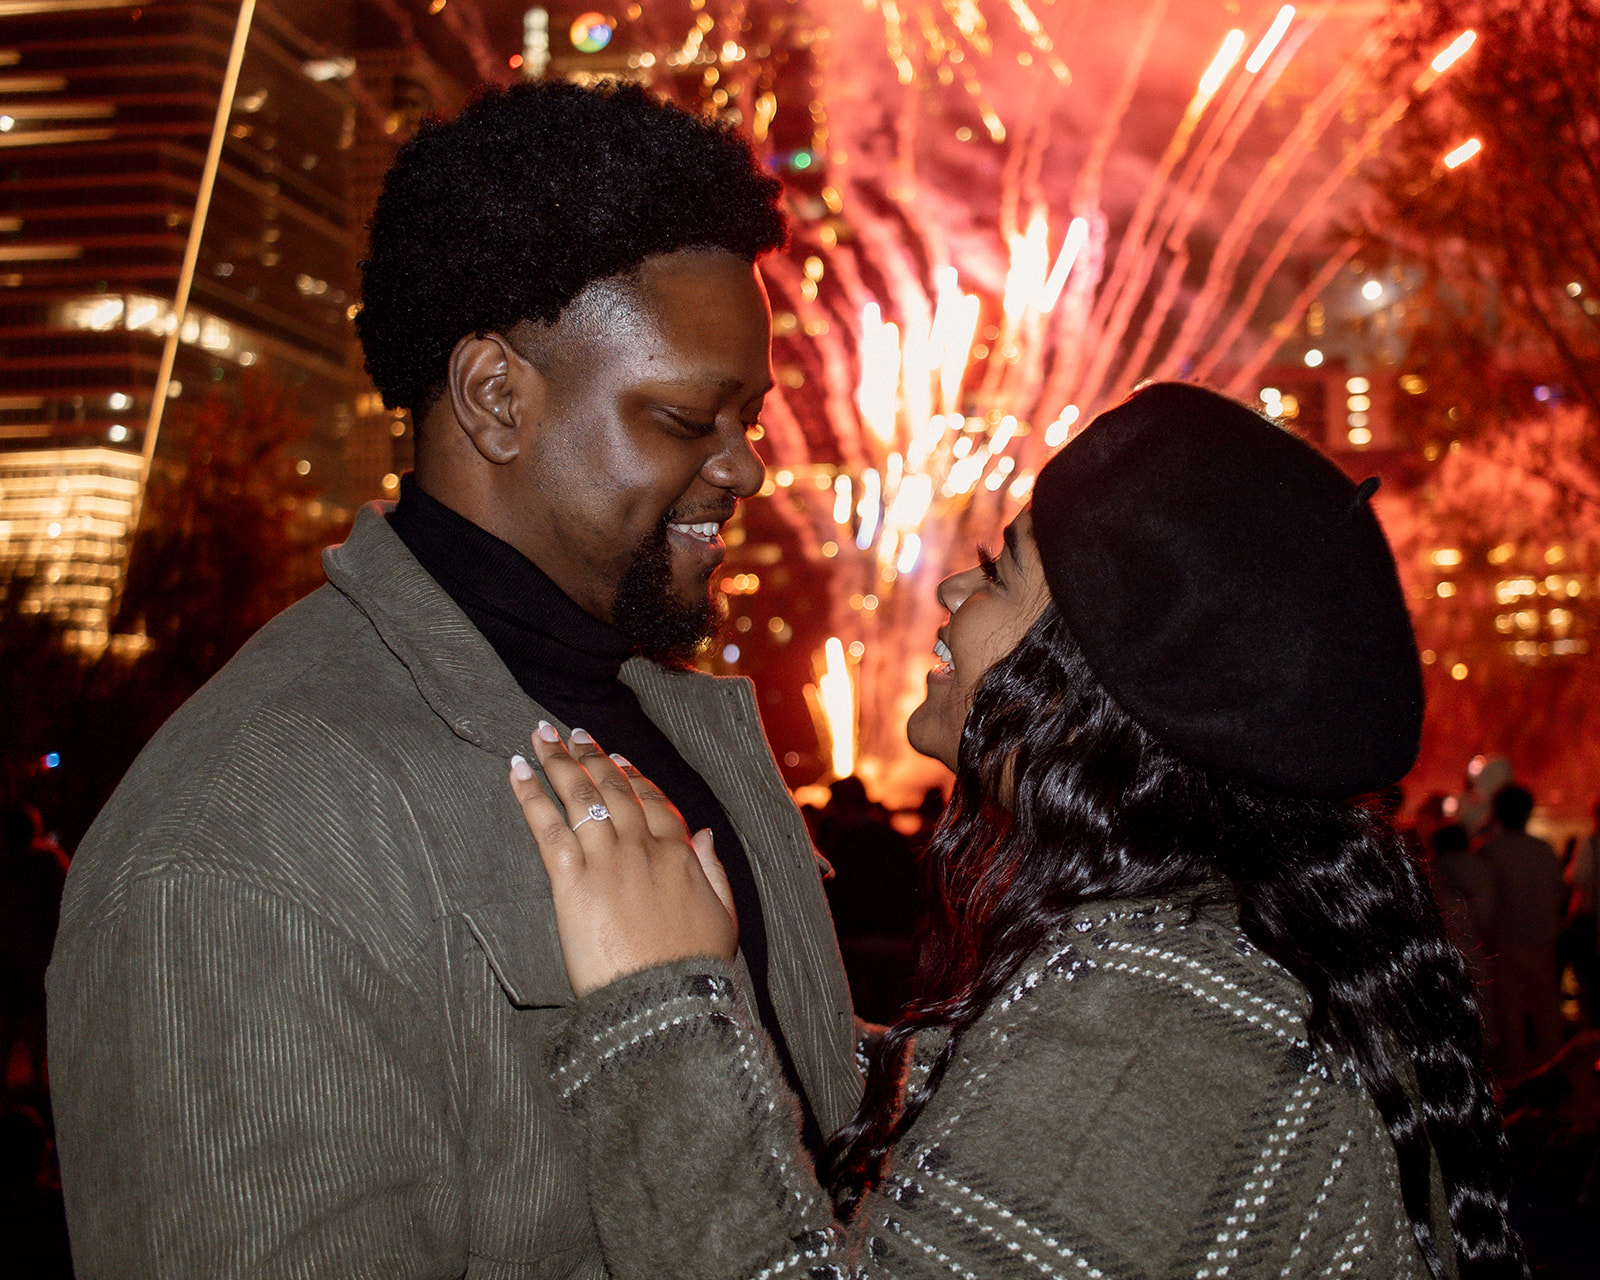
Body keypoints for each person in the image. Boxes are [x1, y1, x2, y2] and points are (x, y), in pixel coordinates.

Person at [47, 81, 859, 1277]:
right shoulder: (236, 842)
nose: (743, 466)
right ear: (494, 397)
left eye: (751, 414)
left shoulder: (684, 727)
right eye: (689, 415)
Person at [510, 382, 1529, 1279]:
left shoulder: (1162, 1018)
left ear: (1097, 683)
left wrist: (659, 1003)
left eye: (998, 574)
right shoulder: (1224, 963)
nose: (951, 590)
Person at [1480, 782, 1567, 1081]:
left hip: (1507, 945)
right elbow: (1558, 896)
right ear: (1529, 812)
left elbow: (1485, 905)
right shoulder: (1544, 851)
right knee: (1547, 1017)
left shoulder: (1491, 853)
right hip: (1543, 943)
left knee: (1512, 1021)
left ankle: (1520, 1087)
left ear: (1498, 814)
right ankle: (1553, 1077)